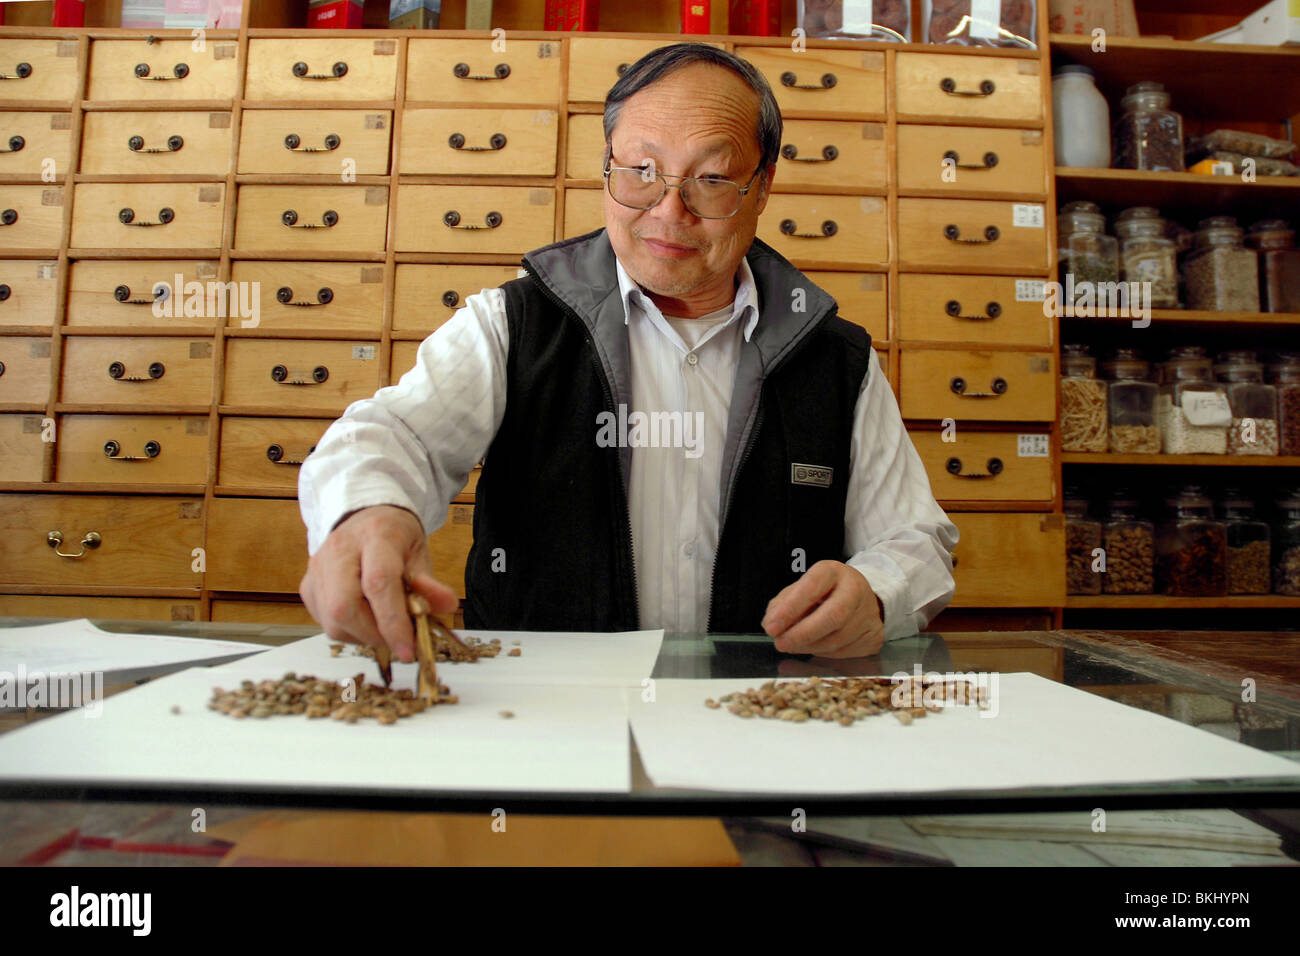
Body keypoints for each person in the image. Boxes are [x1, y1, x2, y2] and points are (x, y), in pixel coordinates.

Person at [297, 43, 958, 663]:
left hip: (757, 727)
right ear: (605, 166)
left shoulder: (834, 357)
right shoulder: (514, 323)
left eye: (712, 178)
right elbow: (391, 434)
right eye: (640, 171)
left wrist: (875, 593)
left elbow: (915, 540)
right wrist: (365, 512)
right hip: (546, 726)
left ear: (762, 186)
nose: (670, 211)